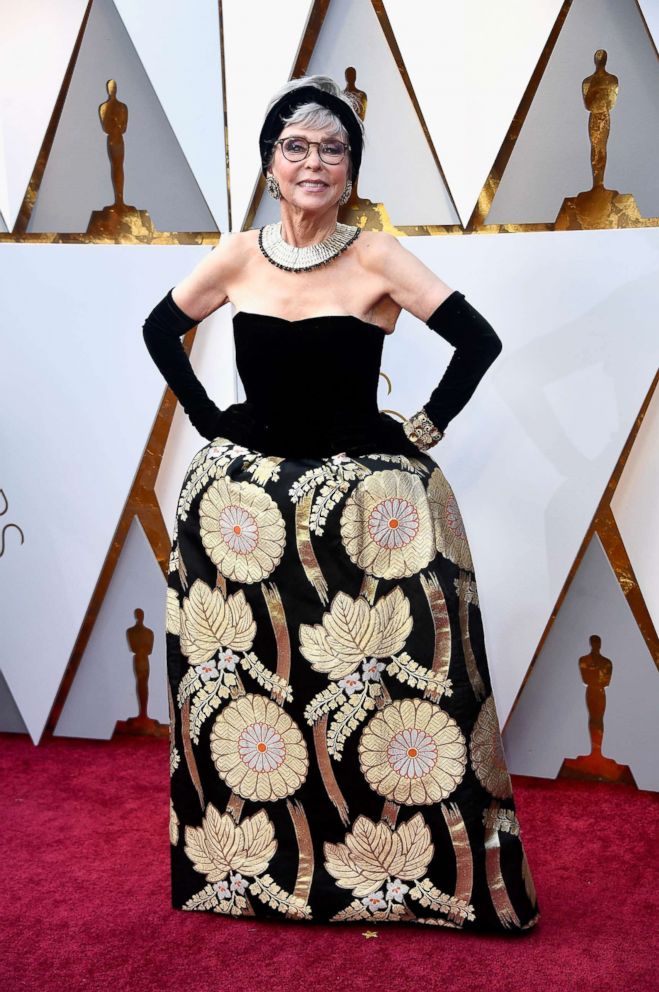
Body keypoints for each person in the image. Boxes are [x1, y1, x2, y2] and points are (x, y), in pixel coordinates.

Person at [143, 74, 540, 933]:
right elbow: (157, 329)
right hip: (245, 517)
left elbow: (478, 340)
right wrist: (214, 420)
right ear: (269, 163)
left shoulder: (376, 255)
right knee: (252, 690)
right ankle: (251, 873)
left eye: (332, 149)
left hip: (362, 510)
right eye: (296, 146)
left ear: (350, 170)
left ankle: (407, 877)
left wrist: (424, 425)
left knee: (392, 692)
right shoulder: (239, 253)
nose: (313, 161)